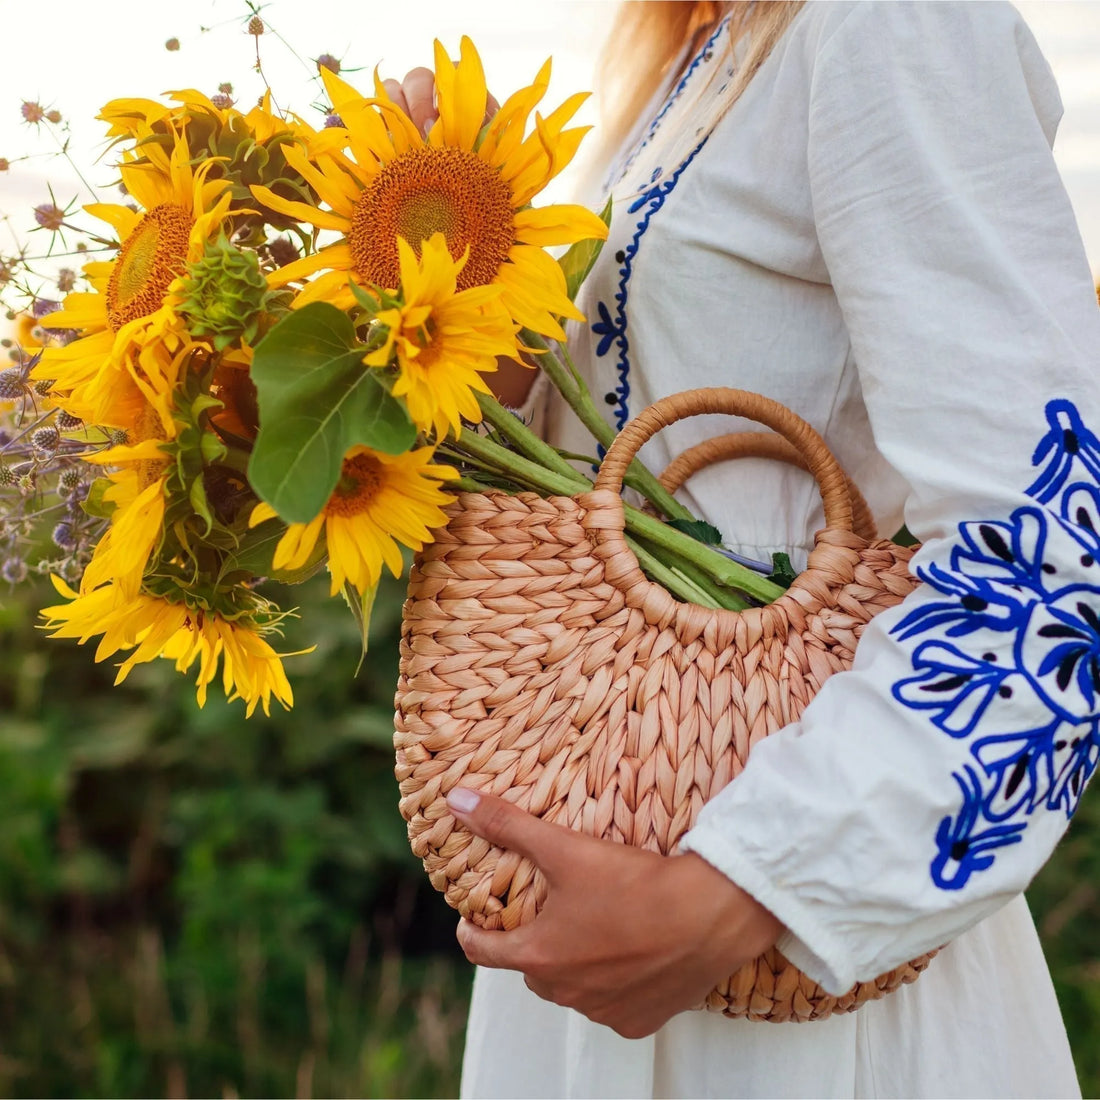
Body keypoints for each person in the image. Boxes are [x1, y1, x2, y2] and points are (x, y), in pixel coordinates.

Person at [385, 3, 1098, 1096]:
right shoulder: (687, 53)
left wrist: (737, 889)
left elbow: (1050, 541)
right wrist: (450, 258)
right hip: (606, 864)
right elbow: (595, 443)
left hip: (778, 917)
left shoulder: (891, 23)